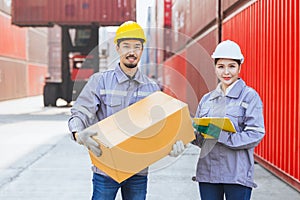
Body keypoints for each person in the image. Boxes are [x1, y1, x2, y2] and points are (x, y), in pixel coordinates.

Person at [68, 21, 185, 200]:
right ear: (117, 48)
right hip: (105, 171)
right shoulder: (100, 81)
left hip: (137, 172)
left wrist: (171, 145)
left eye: (137, 47)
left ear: (142, 49)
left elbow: (160, 127)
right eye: (126, 46)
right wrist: (78, 133)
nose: (132, 52)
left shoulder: (151, 88)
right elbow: (81, 112)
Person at [192, 40, 265, 200]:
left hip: (236, 174)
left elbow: (256, 133)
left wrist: (221, 135)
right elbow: (200, 140)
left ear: (239, 67)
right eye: (221, 66)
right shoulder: (207, 99)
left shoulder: (250, 97)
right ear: (215, 68)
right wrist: (187, 134)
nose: (226, 72)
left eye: (231, 66)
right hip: (208, 173)